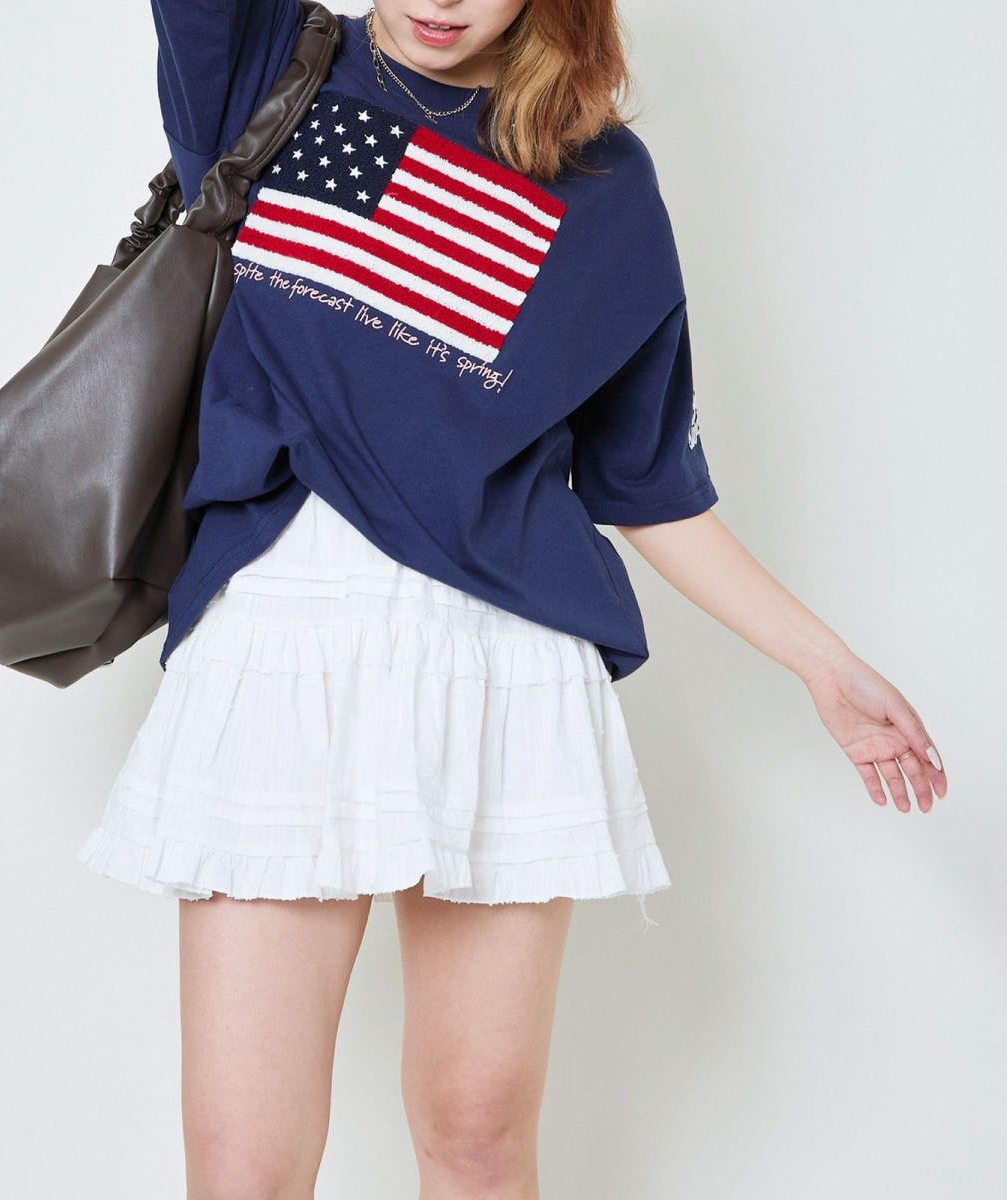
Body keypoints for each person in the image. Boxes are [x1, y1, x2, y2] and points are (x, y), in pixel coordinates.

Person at [75, 2, 949, 1195]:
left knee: (478, 1137)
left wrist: (824, 665)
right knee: (244, 1166)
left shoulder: (605, 184)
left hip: (502, 664)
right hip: (286, 637)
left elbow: (648, 486)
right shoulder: (273, 69)